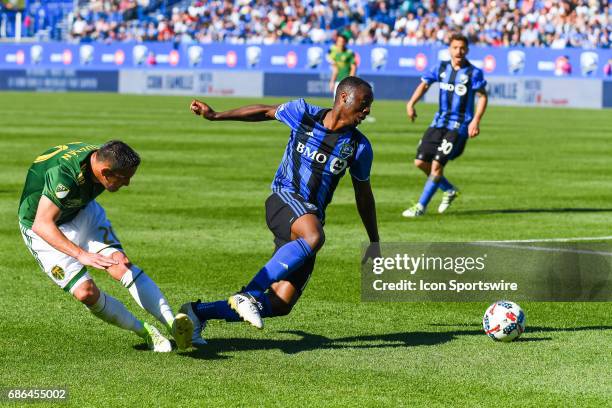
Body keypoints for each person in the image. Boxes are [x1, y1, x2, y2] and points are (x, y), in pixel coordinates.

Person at [181, 76, 380, 345]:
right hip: (283, 200)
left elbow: (364, 195)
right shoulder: (303, 113)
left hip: (309, 218)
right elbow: (264, 111)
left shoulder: (358, 147)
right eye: (365, 103)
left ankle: (196, 312)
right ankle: (248, 293)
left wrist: (375, 241)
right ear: (344, 97)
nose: (368, 110)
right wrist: (215, 115)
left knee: (281, 301)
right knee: (314, 237)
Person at [18, 141, 193, 352]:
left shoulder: (100, 157)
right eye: (124, 178)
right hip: (43, 227)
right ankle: (145, 331)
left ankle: (173, 325)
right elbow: (42, 224)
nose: (127, 183)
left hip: (82, 212)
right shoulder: (64, 175)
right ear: (106, 172)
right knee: (86, 293)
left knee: (121, 264)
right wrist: (81, 254)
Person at [403, 33, 488, 217]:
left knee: (436, 165)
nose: (459, 51)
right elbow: (424, 85)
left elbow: (482, 96)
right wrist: (411, 103)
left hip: (459, 126)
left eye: (462, 48)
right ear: (450, 49)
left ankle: (420, 206)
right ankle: (449, 190)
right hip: (438, 122)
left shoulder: (474, 73)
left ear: (467, 50)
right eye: (455, 47)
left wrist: (476, 120)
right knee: (420, 162)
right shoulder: (441, 67)